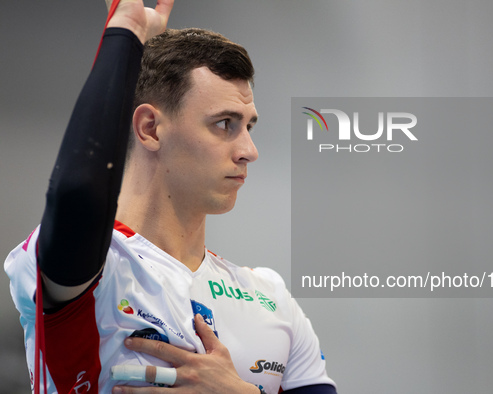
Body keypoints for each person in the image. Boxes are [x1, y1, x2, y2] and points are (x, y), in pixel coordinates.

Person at [4, 1, 337, 393]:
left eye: (249, 126)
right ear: (150, 128)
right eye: (225, 124)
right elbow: (78, 194)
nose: (249, 149)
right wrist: (124, 33)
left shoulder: (271, 298)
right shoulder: (99, 267)